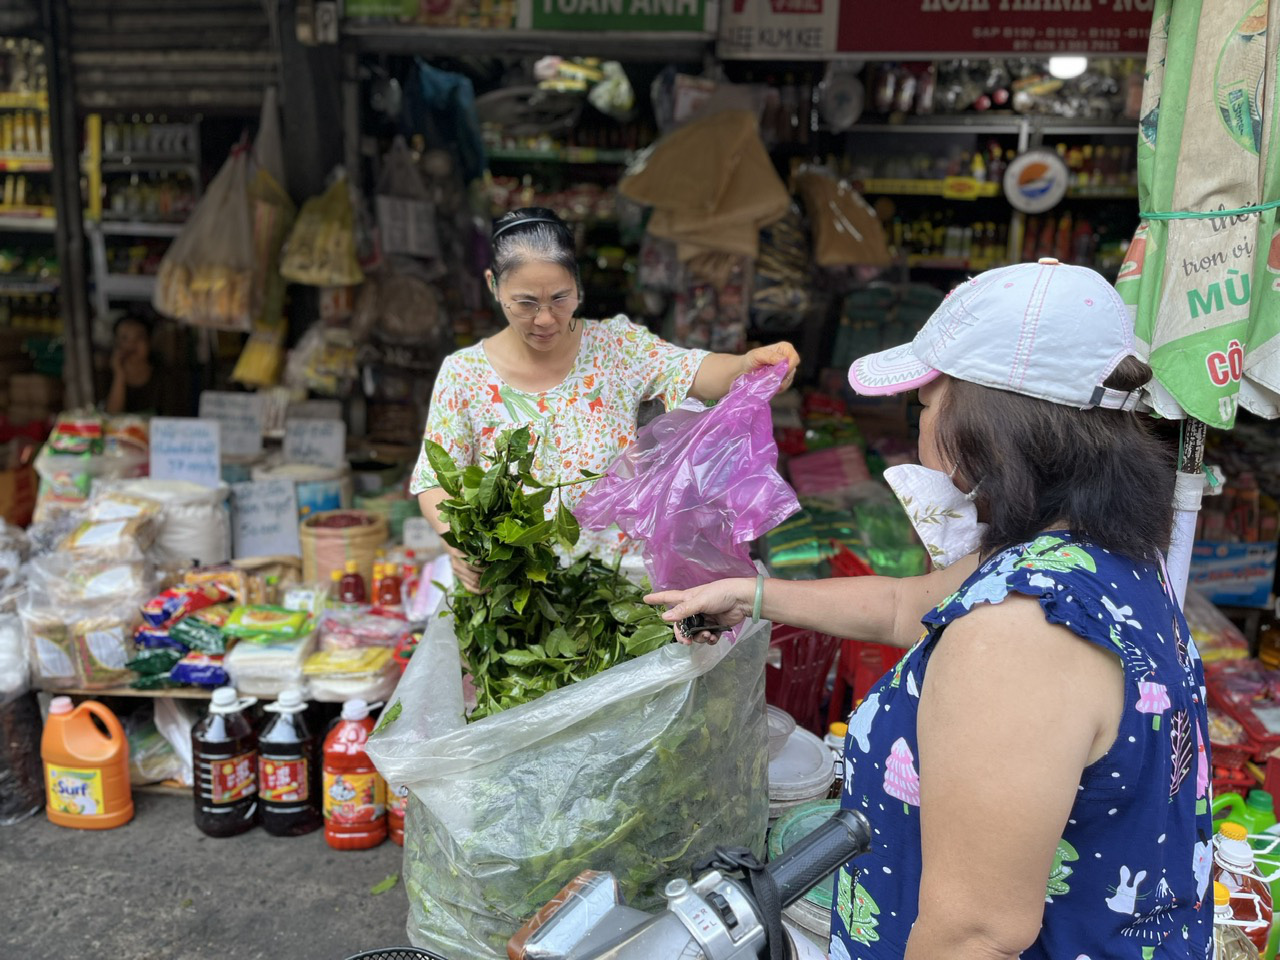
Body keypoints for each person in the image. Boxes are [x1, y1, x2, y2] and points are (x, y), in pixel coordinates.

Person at [648, 260, 1211, 960]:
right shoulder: (1092, 557)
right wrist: (752, 594)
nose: (918, 425)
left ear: (983, 425)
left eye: (926, 402)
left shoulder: (1019, 635)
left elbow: (973, 935)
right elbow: (901, 605)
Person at [411, 207, 800, 591]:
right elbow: (434, 480)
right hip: (512, 590)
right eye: (526, 302)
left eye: (560, 299)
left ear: (578, 286)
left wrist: (746, 364)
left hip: (615, 585)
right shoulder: (464, 374)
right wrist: (462, 543)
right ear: (493, 285)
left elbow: (694, 371)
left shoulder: (617, 347)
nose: (545, 319)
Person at [104, 315, 183, 416]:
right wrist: (119, 375)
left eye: (139, 337)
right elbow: (111, 415)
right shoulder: (106, 375)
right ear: (116, 343)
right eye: (124, 338)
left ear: (149, 342)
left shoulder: (165, 375)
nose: (132, 344)